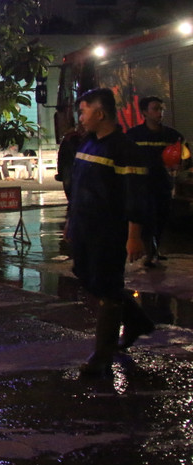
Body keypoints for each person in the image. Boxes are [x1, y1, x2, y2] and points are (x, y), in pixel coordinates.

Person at [66, 88, 154, 378]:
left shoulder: (124, 149)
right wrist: (71, 220)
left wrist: (134, 236)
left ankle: (101, 356)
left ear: (100, 113)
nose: (81, 118)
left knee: (107, 286)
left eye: (84, 112)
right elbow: (78, 186)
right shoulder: (87, 143)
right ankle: (137, 320)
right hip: (84, 226)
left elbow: (135, 196)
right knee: (86, 276)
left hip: (108, 231)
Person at [124, 96, 186, 267]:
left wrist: (180, 164)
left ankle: (155, 249)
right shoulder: (134, 135)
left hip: (163, 184)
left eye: (161, 109)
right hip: (141, 186)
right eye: (156, 109)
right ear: (144, 112)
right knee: (146, 218)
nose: (160, 113)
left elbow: (184, 155)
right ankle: (149, 251)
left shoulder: (172, 135)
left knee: (161, 217)